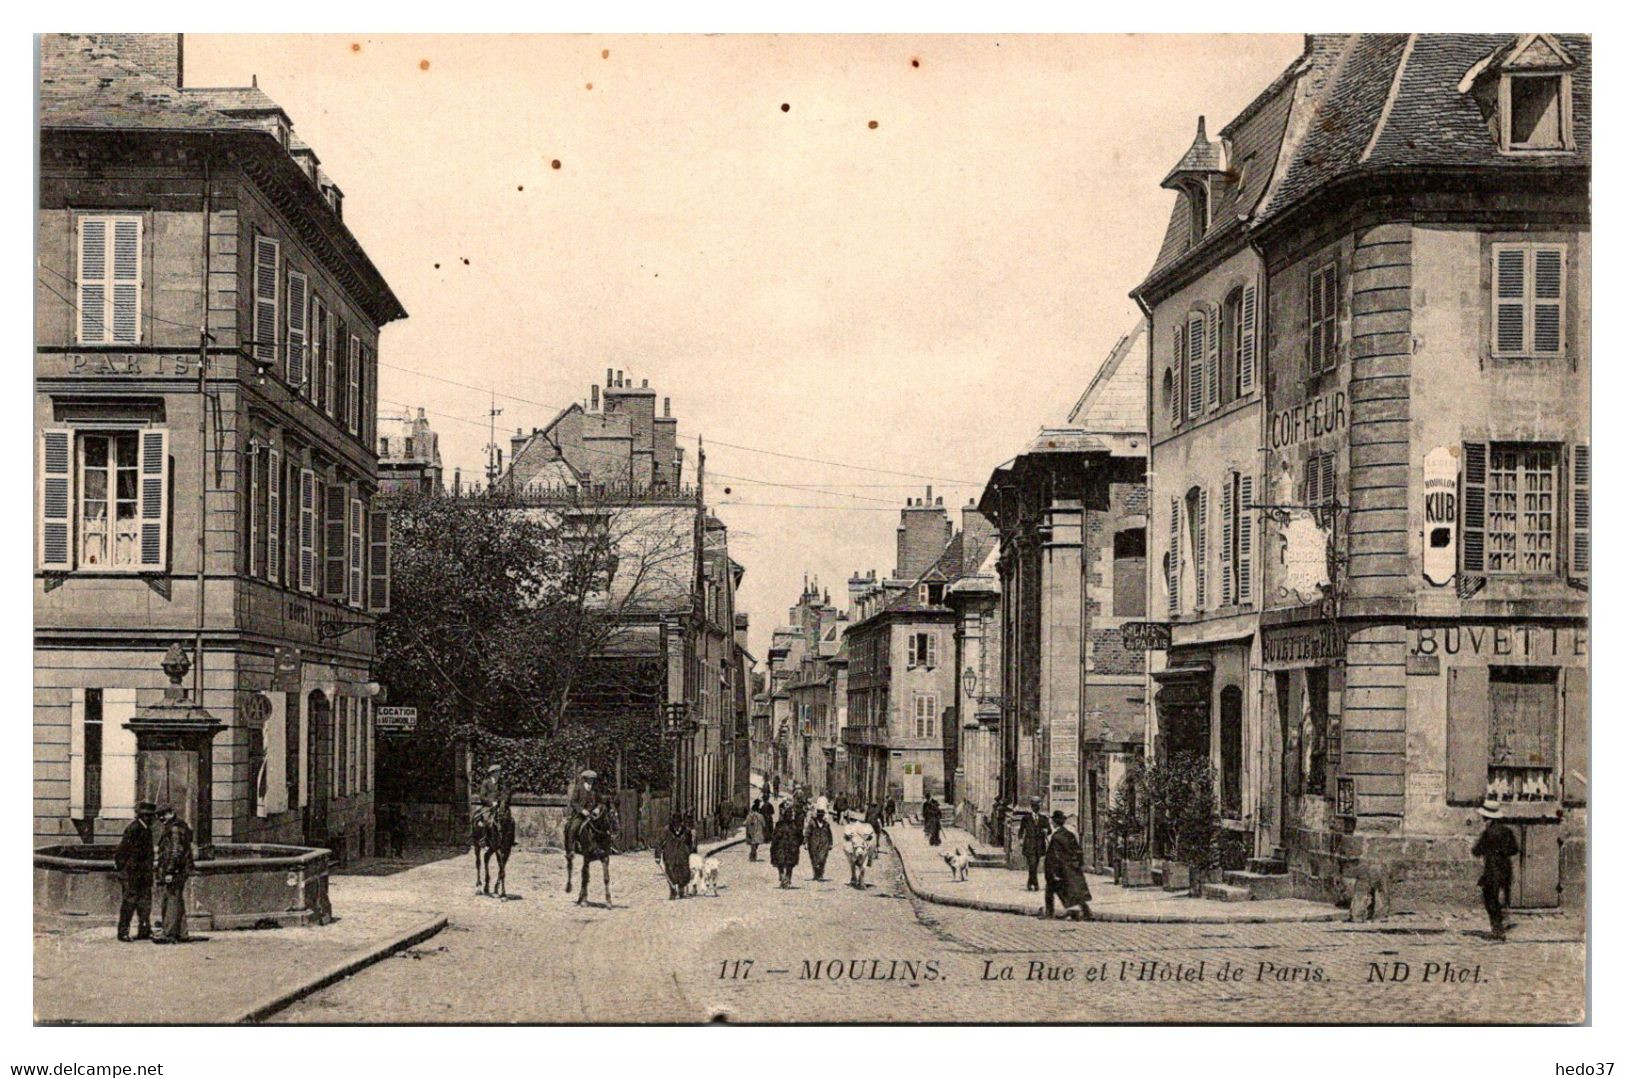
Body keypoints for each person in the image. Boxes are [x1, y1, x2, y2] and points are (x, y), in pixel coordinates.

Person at [1471, 798, 1519, 940]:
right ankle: (1500, 927)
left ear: (1487, 817)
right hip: (1506, 870)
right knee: (1500, 899)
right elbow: (1514, 850)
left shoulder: (1488, 833)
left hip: (1492, 870)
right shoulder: (1507, 831)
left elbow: (1476, 851)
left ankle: (1497, 930)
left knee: (1490, 900)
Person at [114, 801, 157, 942]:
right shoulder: (133, 829)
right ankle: (123, 932)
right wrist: (124, 871)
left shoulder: (146, 829)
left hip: (143, 874)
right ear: (143, 816)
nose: (153, 819)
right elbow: (121, 852)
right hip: (132, 874)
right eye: (150, 816)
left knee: (145, 903)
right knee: (129, 903)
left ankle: (144, 930)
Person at [153, 804, 195, 943]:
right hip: (181, 869)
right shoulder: (179, 826)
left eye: (163, 814)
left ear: (171, 813)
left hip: (175, 870)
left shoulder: (174, 828)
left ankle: (169, 934)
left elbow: (176, 851)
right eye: (158, 815)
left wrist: (170, 871)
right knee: (177, 901)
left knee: (170, 900)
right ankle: (182, 933)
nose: (160, 818)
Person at [1043, 810, 1092, 920]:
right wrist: (1079, 864)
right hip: (1070, 867)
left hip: (1060, 869)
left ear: (1054, 822)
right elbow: (1077, 850)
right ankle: (1086, 911)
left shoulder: (1056, 837)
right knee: (1075, 891)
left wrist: (1053, 871)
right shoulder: (1068, 834)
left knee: (1050, 890)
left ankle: (1049, 913)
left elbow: (1054, 856)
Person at [1019, 796, 1051, 892]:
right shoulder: (1026, 818)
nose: (1035, 807)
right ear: (1031, 806)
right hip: (1029, 844)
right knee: (1032, 864)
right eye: (1034, 805)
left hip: (1039, 845)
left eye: (1037, 805)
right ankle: (1035, 883)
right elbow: (1021, 830)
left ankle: (1030, 882)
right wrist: (1020, 839)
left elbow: (1049, 830)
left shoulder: (1044, 818)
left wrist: (1046, 831)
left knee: (1035, 865)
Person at [769, 810, 802, 888]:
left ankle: (787, 879)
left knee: (790, 865)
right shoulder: (779, 825)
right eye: (787, 815)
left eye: (790, 815)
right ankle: (783, 877)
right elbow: (775, 836)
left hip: (791, 848)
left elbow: (800, 836)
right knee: (780, 863)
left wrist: (796, 844)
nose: (789, 816)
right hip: (781, 848)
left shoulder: (795, 825)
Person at [805, 807, 834, 881]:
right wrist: (805, 842)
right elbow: (807, 833)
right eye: (819, 815)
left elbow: (829, 834)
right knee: (814, 860)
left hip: (824, 844)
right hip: (813, 844)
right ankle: (816, 874)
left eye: (822, 815)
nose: (820, 817)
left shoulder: (826, 824)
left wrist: (830, 843)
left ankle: (820, 874)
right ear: (817, 815)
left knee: (822, 859)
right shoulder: (812, 823)